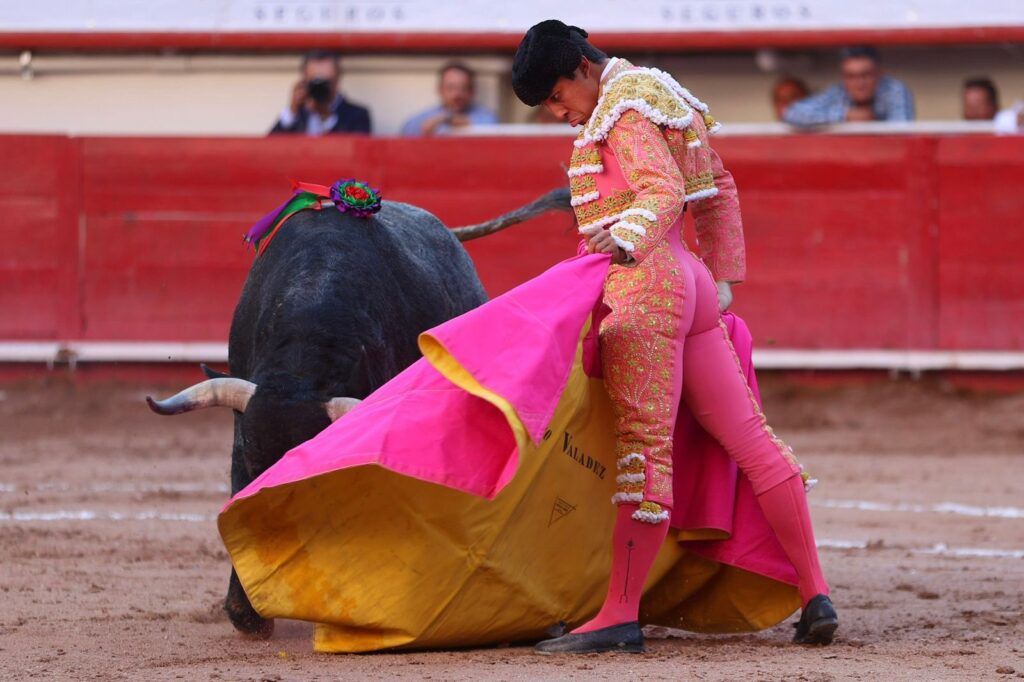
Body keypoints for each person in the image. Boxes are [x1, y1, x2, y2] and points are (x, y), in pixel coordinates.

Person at [512, 20, 836, 654]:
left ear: (582, 66)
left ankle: (619, 614)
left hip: (644, 282)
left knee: (643, 448)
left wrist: (629, 235)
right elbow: (717, 189)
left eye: (555, 96)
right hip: (685, 282)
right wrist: (717, 278)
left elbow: (659, 188)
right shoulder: (663, 92)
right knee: (752, 439)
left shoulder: (620, 107)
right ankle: (815, 593)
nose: (557, 113)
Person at [783, 46, 913, 127]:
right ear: (843, 79)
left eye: (866, 75)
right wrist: (845, 115)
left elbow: (900, 138)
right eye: (851, 76)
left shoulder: (894, 90)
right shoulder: (839, 92)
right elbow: (793, 113)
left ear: (879, 74)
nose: (859, 83)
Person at [270, 50, 371, 136]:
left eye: (325, 82)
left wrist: (325, 115)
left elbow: (353, 151)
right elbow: (269, 149)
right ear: (304, 80)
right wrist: (292, 111)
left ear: (337, 81)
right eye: (314, 81)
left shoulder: (357, 116)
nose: (320, 87)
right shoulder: (298, 115)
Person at [400, 62, 498, 136]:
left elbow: (490, 126)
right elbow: (407, 130)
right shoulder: (423, 117)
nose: (457, 94)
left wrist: (445, 119)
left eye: (463, 88)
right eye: (450, 88)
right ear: (440, 90)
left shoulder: (485, 116)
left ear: (472, 92)